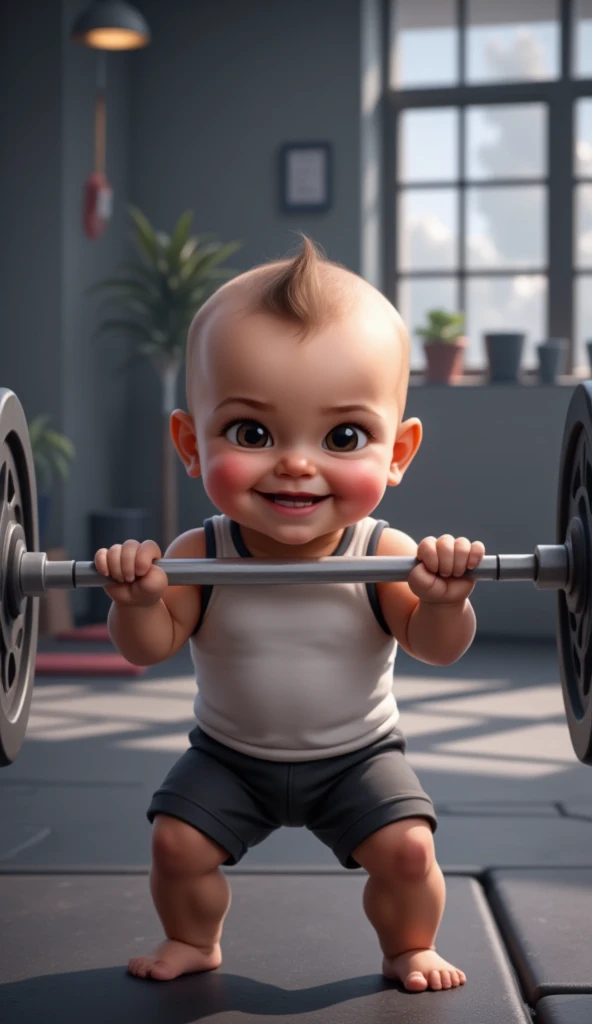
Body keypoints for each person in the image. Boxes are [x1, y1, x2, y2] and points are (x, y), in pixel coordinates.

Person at [94, 236, 484, 993]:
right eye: (252, 433)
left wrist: (446, 600)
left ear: (398, 451)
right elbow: (150, 646)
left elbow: (436, 648)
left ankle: (409, 948)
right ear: (190, 443)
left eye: (343, 437)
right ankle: (192, 939)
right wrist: (138, 600)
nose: (297, 463)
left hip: (358, 759)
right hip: (229, 758)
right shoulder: (200, 550)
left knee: (407, 850)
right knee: (176, 844)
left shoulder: (387, 551)